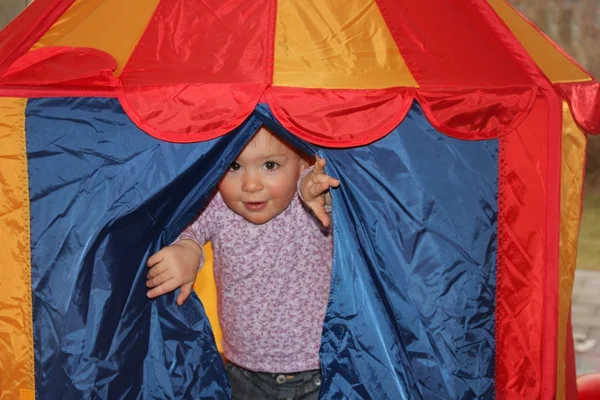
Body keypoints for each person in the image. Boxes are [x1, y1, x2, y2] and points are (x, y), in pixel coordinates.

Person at [145, 126, 339, 400]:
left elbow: (326, 193)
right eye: (234, 165)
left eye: (270, 165)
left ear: (301, 162)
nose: (250, 184)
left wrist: (317, 190)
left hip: (317, 371)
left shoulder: (307, 201)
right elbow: (193, 230)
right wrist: (187, 250)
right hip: (244, 372)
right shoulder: (219, 205)